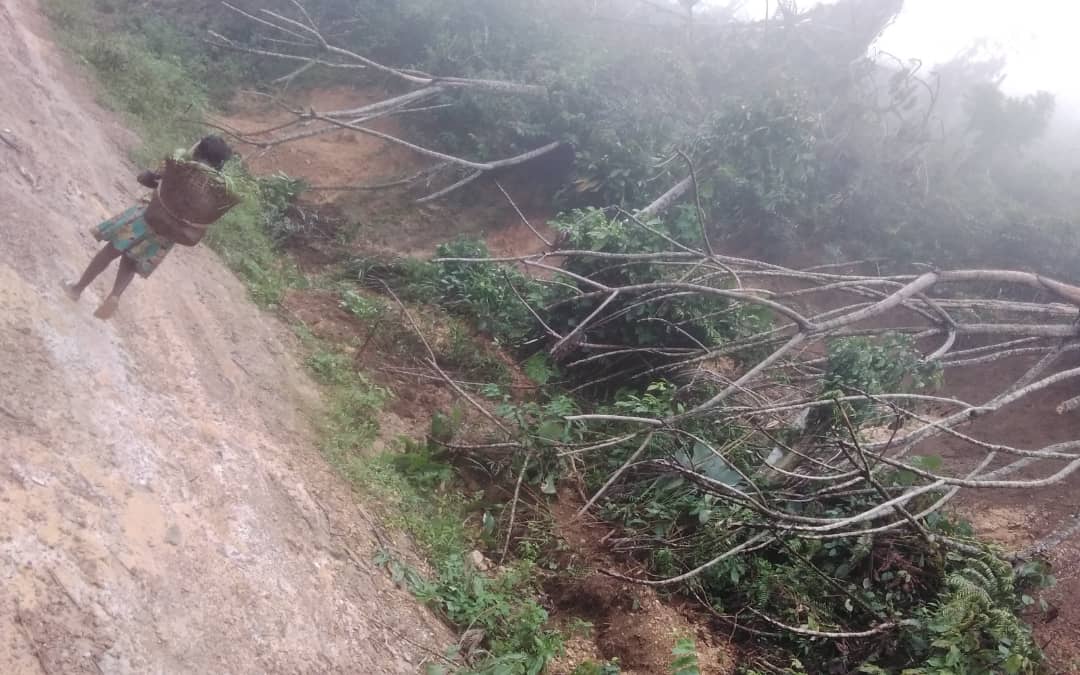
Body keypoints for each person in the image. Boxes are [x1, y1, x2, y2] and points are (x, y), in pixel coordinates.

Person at [63, 135, 234, 320]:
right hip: (168, 232)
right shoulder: (217, 188)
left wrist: (150, 176)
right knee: (131, 261)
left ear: (199, 150)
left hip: (146, 216)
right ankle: (115, 296)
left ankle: (76, 289)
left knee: (110, 251)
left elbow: (146, 178)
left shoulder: (181, 163)